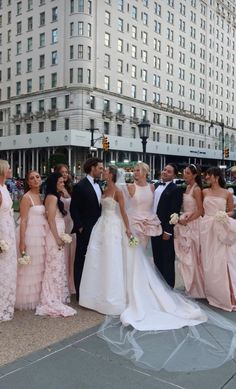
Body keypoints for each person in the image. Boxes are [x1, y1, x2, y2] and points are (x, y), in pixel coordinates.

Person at [79, 166, 131, 315]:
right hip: (100, 226)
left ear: (112, 175)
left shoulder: (118, 192)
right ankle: (93, 296)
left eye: (106, 171)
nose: (104, 172)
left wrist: (127, 229)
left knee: (110, 259)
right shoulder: (103, 189)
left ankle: (110, 297)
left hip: (112, 226)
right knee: (96, 259)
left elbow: (123, 212)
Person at [36, 173, 76, 317]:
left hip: (58, 232)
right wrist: (58, 238)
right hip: (54, 235)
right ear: (54, 183)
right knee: (53, 265)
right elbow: (51, 220)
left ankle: (57, 294)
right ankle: (51, 296)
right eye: (60, 182)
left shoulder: (55, 196)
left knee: (58, 265)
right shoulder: (52, 198)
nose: (62, 184)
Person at [200, 166, 236, 311]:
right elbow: (200, 209)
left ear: (216, 176)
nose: (206, 178)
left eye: (209, 175)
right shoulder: (204, 191)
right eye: (206, 175)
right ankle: (213, 292)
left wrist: (224, 215)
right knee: (209, 260)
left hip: (221, 227)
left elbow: (232, 210)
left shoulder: (227, 193)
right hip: (206, 228)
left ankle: (227, 294)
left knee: (222, 260)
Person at [70, 157, 103, 301]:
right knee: (81, 260)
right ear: (92, 168)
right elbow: (74, 209)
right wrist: (80, 227)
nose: (101, 170)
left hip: (99, 229)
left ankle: (92, 290)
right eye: (100, 168)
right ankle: (80, 293)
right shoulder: (80, 186)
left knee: (94, 260)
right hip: (86, 230)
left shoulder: (99, 185)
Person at [15, 171, 47, 310]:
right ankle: (24, 299)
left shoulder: (41, 196)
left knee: (38, 266)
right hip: (30, 235)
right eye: (32, 178)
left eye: (37, 177)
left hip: (40, 236)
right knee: (28, 268)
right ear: (28, 182)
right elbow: (23, 221)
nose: (35, 180)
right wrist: (22, 242)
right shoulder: (26, 198)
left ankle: (37, 296)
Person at [174, 164, 205, 298]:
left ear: (194, 175)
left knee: (193, 256)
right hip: (185, 221)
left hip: (193, 225)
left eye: (187, 173)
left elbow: (200, 210)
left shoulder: (197, 189)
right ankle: (190, 285)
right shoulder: (187, 188)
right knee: (186, 257)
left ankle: (196, 287)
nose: (184, 175)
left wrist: (187, 220)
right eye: (184, 173)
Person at [152, 163, 183, 287]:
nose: (165, 172)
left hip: (165, 229)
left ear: (174, 175)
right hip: (154, 227)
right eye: (164, 169)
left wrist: (168, 231)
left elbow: (174, 211)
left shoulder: (175, 189)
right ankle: (158, 286)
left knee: (167, 259)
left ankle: (168, 286)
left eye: (169, 171)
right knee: (157, 257)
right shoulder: (156, 186)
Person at [127, 162, 162, 248]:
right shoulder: (131, 187)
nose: (135, 172)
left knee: (143, 248)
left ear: (145, 172)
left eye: (138, 170)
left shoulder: (152, 187)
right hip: (134, 222)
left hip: (148, 222)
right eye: (134, 170)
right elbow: (125, 205)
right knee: (133, 249)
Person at [0, 160, 17, 321]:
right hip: (2, 232)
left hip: (9, 229)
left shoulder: (5, 187)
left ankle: (7, 301)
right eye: (9, 167)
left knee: (9, 267)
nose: (11, 170)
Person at [54, 164, 75, 294]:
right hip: (61, 223)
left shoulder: (72, 188)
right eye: (62, 172)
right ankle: (62, 283)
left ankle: (71, 282)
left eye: (66, 172)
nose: (65, 174)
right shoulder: (55, 191)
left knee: (72, 254)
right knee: (62, 255)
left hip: (71, 224)